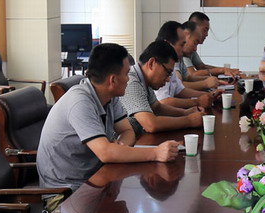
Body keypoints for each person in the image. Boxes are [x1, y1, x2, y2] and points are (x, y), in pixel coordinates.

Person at [37, 43, 180, 196]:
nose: (129, 79)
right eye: (127, 74)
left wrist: (120, 147)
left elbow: (127, 131)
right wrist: (156, 153)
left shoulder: (110, 96)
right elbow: (105, 153)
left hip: (95, 178)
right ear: (113, 80)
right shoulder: (80, 102)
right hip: (65, 192)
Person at [119, 39, 205, 133]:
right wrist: (189, 120)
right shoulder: (131, 81)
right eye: (167, 72)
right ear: (151, 63)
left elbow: (157, 108)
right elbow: (151, 124)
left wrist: (185, 112)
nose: (168, 79)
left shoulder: (144, 79)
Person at [155, 20, 219, 108]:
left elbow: (180, 90)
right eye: (182, 45)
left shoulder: (170, 63)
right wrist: (197, 102)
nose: (183, 49)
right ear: (168, 44)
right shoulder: (159, 63)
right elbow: (164, 101)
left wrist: (209, 95)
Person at [184, 11, 240, 78]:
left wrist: (226, 70)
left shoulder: (191, 48)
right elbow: (192, 74)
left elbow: (201, 67)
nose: (207, 34)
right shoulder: (181, 51)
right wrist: (222, 70)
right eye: (205, 30)